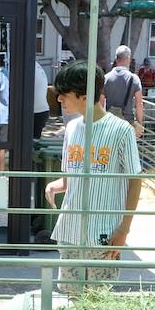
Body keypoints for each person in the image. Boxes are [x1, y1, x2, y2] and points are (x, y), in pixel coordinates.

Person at [44, 61, 142, 295]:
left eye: (64, 94)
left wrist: (123, 230)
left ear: (85, 95)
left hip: (104, 233)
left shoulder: (121, 130)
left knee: (98, 300)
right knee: (70, 296)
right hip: (70, 230)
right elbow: (71, 176)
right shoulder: (72, 128)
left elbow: (135, 180)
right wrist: (55, 186)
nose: (59, 99)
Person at [102, 45, 144, 136]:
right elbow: (139, 104)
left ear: (116, 59)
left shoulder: (106, 78)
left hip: (109, 124)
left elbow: (100, 103)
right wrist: (139, 124)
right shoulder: (134, 79)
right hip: (127, 124)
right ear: (128, 58)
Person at [33, 59, 51, 139]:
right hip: (42, 110)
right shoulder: (37, 66)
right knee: (35, 141)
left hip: (35, 112)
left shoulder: (28, 67)